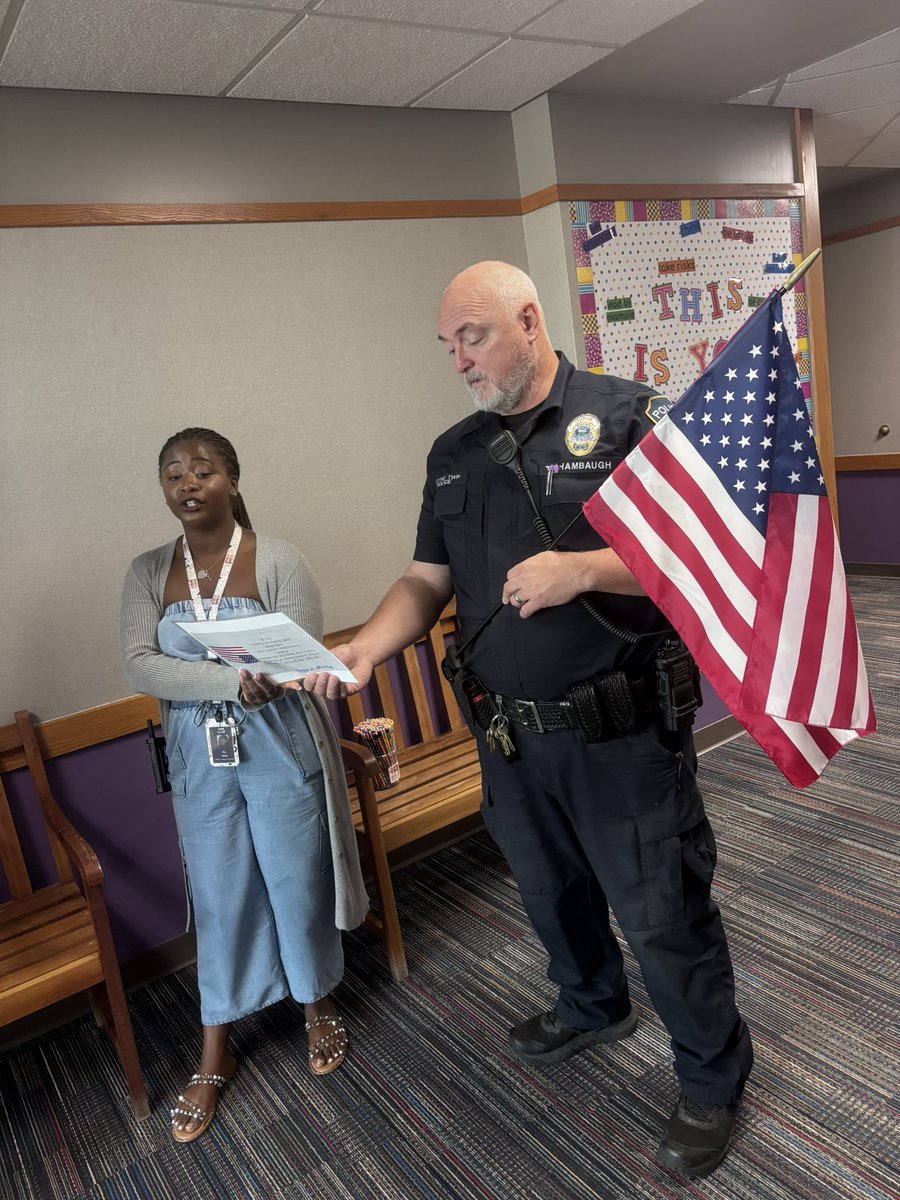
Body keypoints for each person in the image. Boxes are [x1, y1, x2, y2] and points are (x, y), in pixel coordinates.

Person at [304, 262, 753, 1179]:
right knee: (552, 895)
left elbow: (714, 544)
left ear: (529, 320)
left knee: (661, 910)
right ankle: (592, 1004)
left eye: (473, 336)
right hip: (508, 736)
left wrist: (585, 568)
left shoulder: (630, 417)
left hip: (619, 735)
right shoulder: (452, 454)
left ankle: (712, 1078)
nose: (459, 360)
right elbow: (426, 581)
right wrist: (368, 650)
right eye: (449, 345)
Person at [120, 427, 368, 1143]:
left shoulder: (279, 558)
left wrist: (266, 680)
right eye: (173, 475)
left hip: (281, 742)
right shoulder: (145, 572)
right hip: (200, 757)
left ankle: (317, 1001)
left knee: (297, 878)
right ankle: (215, 1044)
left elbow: (298, 658)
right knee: (223, 890)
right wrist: (231, 680)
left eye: (202, 470)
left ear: (232, 478)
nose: (187, 484)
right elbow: (140, 666)